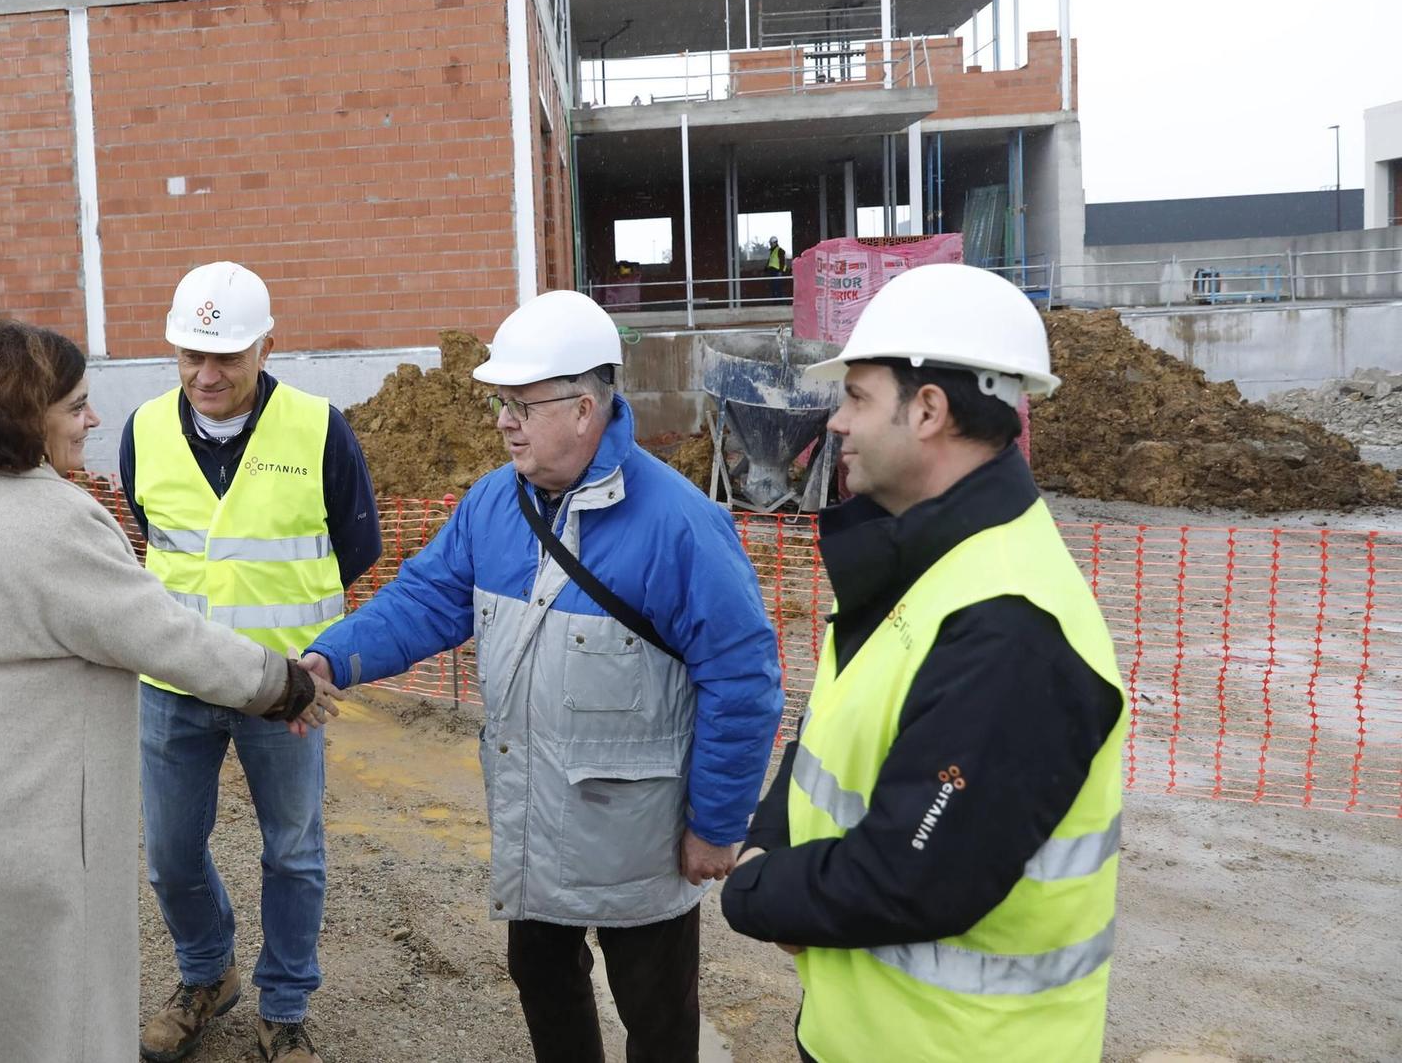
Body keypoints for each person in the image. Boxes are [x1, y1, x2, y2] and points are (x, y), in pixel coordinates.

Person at [0, 317, 335, 1063]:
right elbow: (163, 634)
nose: (94, 419)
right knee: (17, 1024)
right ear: (24, 414)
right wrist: (282, 683)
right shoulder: (52, 521)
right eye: (75, 405)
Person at [300, 289, 783, 1063]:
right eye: (502, 402)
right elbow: (426, 598)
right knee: (541, 975)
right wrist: (333, 656)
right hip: (538, 822)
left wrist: (717, 821)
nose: (502, 420)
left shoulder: (681, 524)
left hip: (642, 841)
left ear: (585, 408)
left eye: (520, 403)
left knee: (656, 1011)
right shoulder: (495, 504)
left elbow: (744, 678)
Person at [720, 263, 1126, 1063]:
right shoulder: (919, 556)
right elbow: (833, 725)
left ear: (930, 410)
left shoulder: (1013, 626)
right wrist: (771, 832)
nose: (836, 422)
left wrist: (756, 890)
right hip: (863, 1034)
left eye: (857, 397)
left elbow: (913, 875)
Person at [119, 262, 381, 1063]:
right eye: (191, 354)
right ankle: (207, 974)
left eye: (227, 355)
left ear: (269, 345)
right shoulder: (143, 430)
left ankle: (286, 1004)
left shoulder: (320, 429)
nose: (207, 374)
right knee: (169, 852)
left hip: (285, 688)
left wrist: (300, 658)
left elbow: (357, 545)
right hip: (176, 684)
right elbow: (149, 532)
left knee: (293, 849)